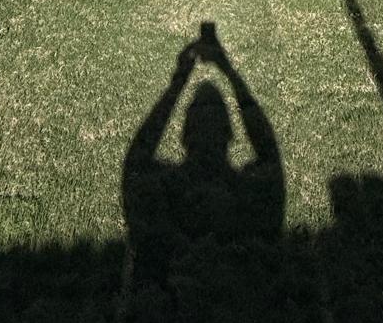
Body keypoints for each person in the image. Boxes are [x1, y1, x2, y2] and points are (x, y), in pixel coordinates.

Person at [122, 26, 285, 286]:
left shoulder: (166, 194)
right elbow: (270, 155)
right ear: (231, 134)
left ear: (184, 135)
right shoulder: (244, 197)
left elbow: (136, 162)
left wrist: (178, 83)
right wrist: (229, 72)